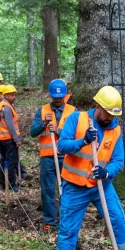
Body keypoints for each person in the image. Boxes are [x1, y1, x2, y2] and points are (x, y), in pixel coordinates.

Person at [50, 86, 125, 250]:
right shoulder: (77, 118)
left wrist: (106, 173)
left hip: (102, 186)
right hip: (75, 186)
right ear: (97, 106)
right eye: (107, 113)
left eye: (113, 115)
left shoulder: (115, 129)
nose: (109, 118)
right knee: (68, 225)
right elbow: (62, 145)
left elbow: (118, 160)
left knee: (117, 218)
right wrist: (82, 141)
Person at [30, 79, 77, 231]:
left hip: (66, 157)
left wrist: (58, 131)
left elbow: (77, 134)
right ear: (50, 95)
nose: (58, 99)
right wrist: (43, 123)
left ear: (65, 95)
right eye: (55, 97)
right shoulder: (42, 110)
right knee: (48, 190)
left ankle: (66, 220)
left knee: (67, 189)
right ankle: (50, 221)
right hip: (47, 157)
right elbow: (32, 132)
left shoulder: (73, 111)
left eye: (60, 97)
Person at [0, 85, 22, 192]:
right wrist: (16, 140)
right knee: (11, 162)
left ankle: (1, 182)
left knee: (3, 160)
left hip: (2, 139)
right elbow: (10, 126)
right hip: (9, 140)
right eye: (11, 95)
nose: (14, 97)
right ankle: (11, 185)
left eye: (14, 95)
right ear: (5, 96)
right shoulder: (7, 108)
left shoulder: (1, 106)